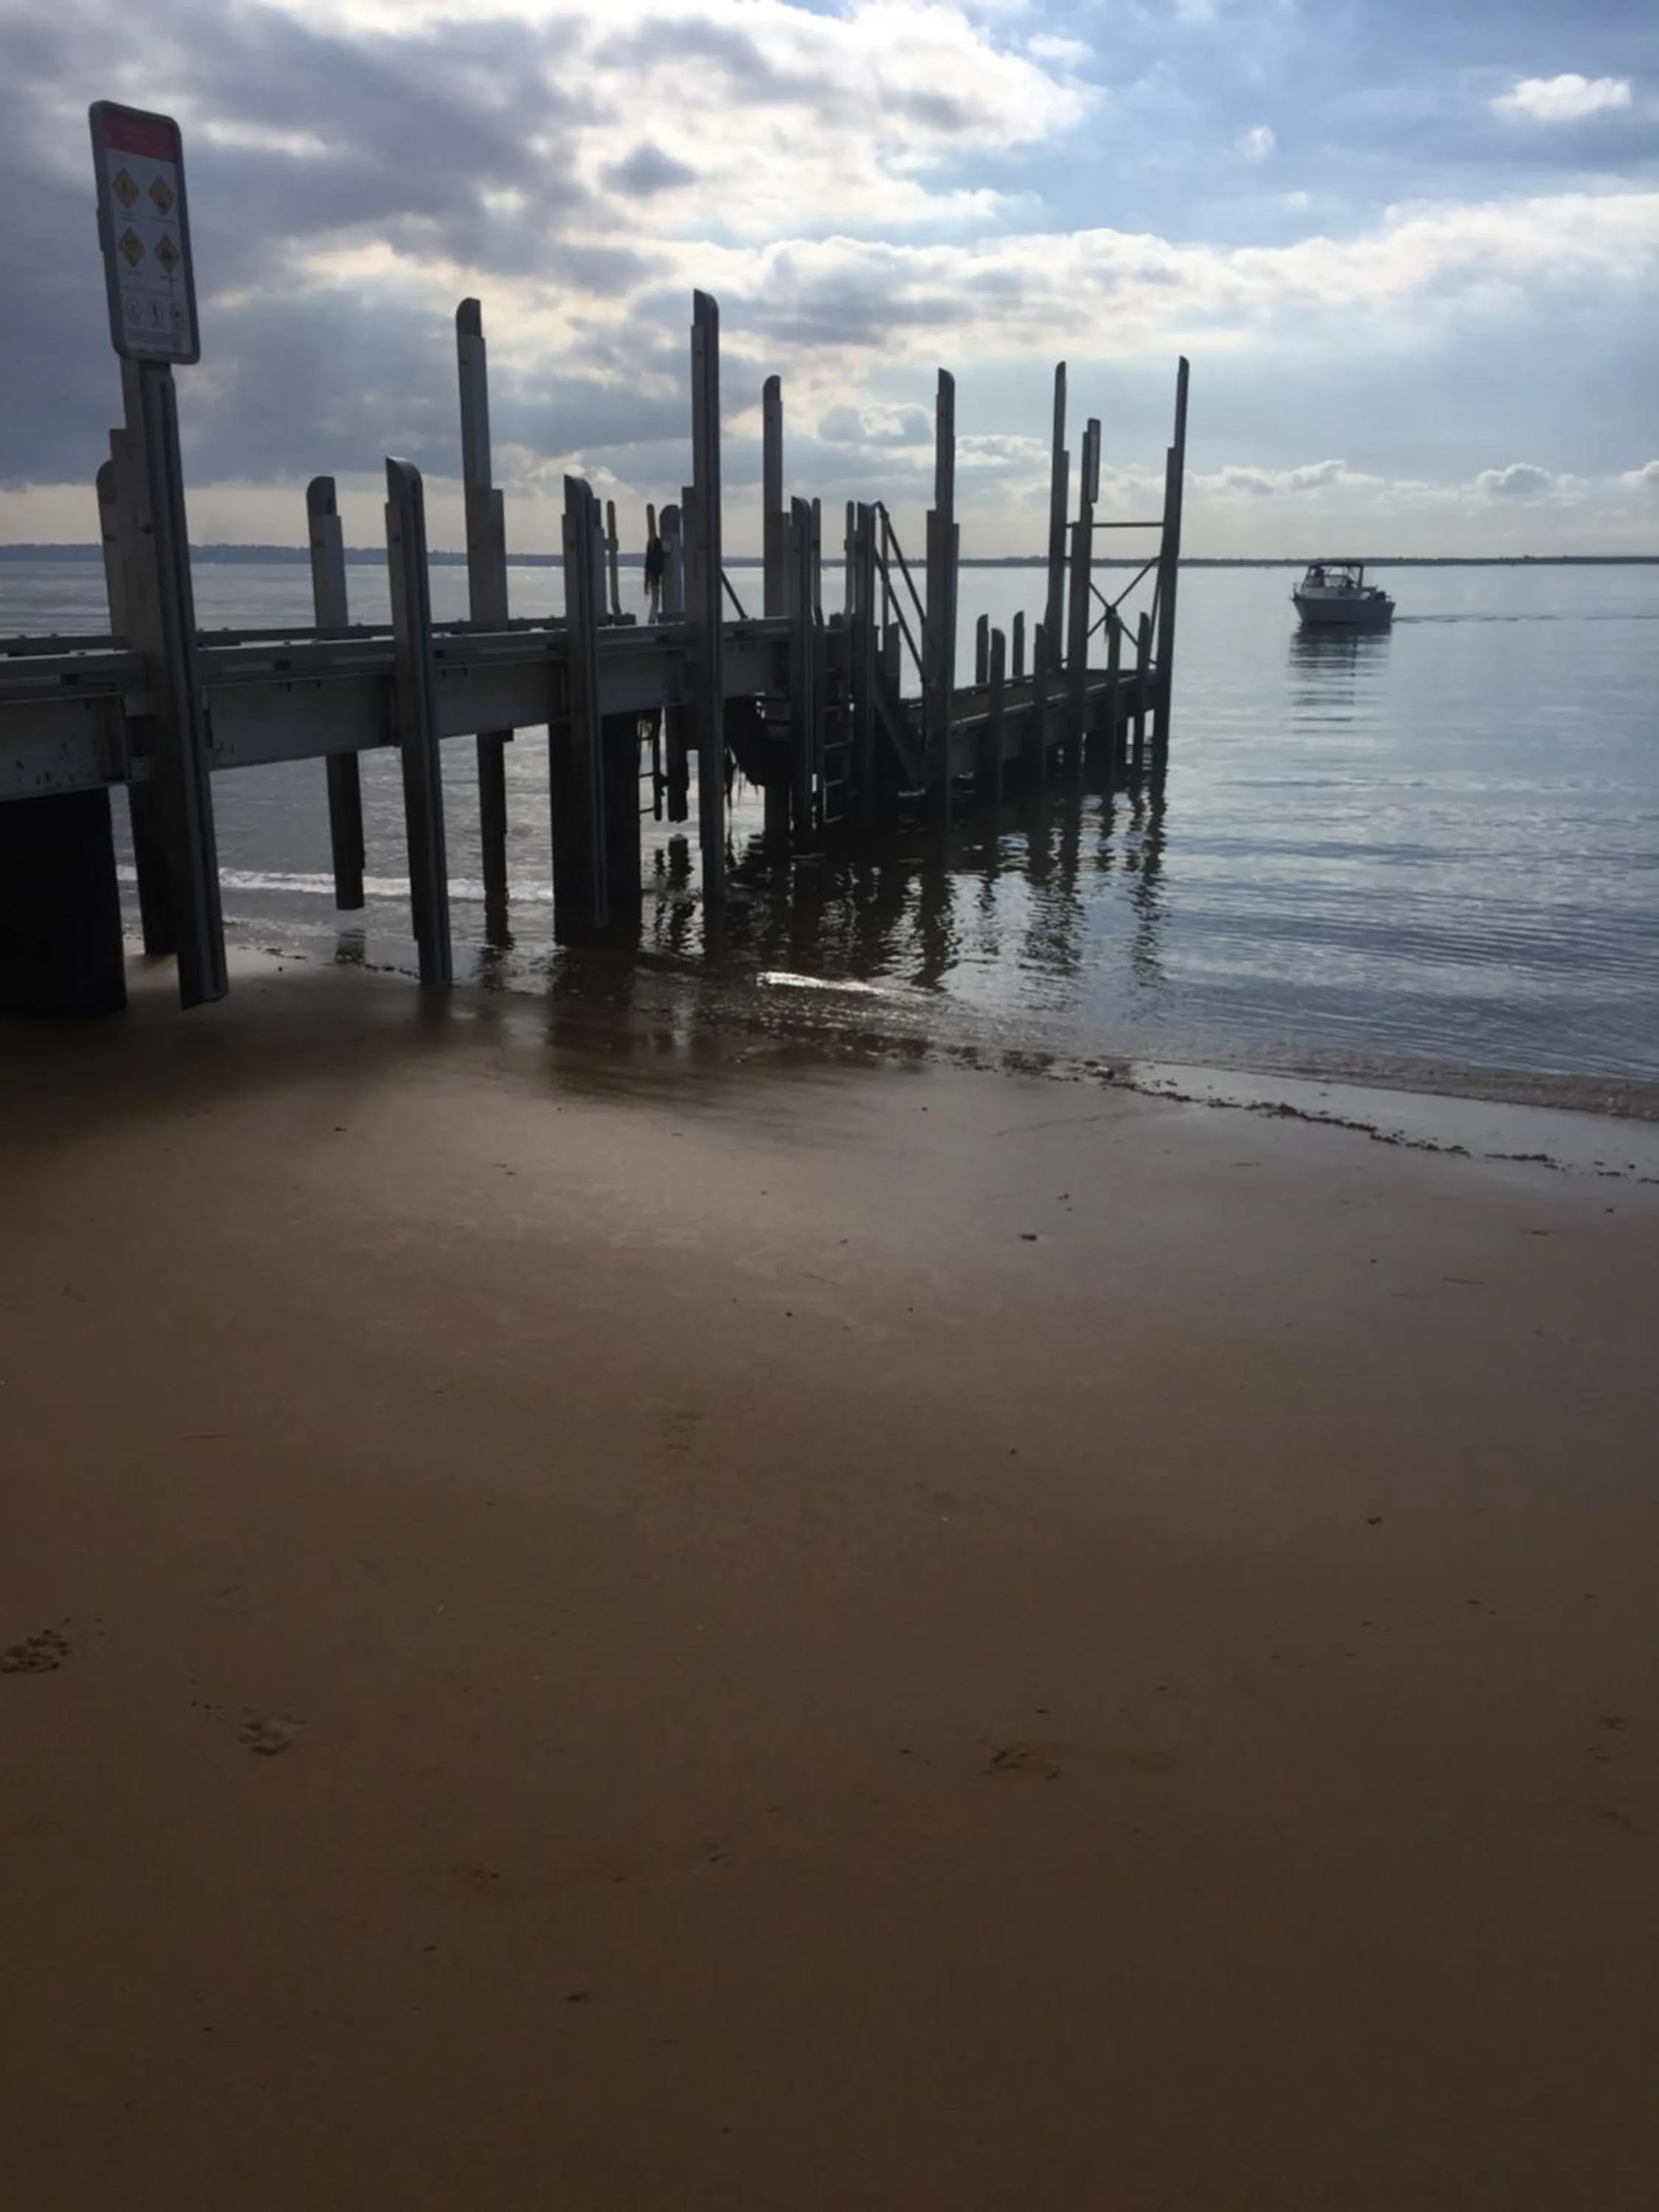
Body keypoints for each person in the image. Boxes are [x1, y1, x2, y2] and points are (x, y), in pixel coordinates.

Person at [644, 529, 665, 622]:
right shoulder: (656, 547)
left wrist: (646, 582)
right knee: (656, 601)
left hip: (654, 575)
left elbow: (648, 565)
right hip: (655, 575)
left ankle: (652, 620)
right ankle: (652, 620)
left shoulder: (652, 547)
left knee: (655, 601)